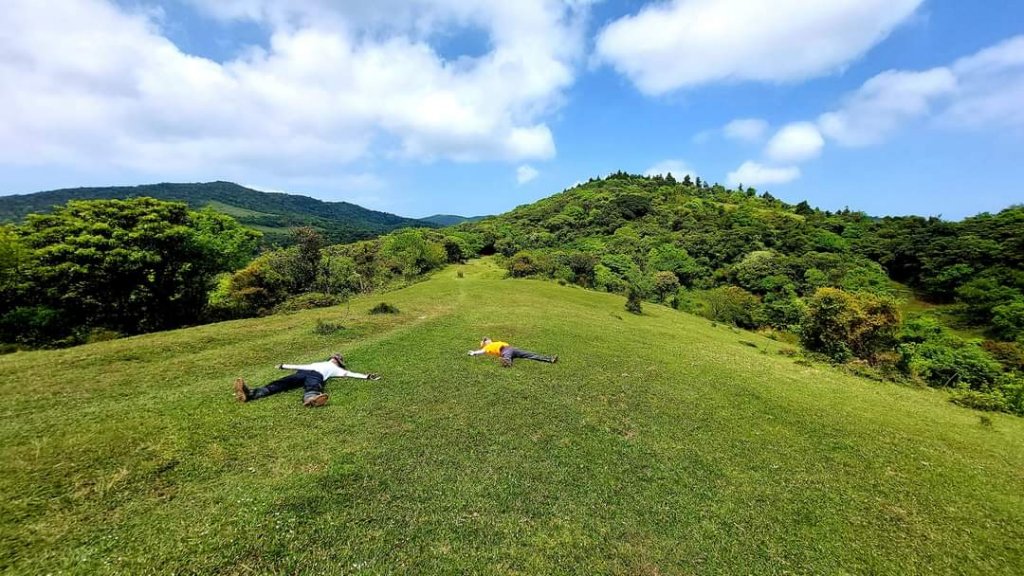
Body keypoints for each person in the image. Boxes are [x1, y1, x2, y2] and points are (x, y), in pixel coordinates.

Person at [234, 353, 379, 407]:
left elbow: (350, 374)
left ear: (339, 363)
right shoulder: (318, 363)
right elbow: (300, 366)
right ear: (331, 358)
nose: (335, 359)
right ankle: (250, 393)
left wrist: (366, 376)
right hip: (303, 372)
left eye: (337, 359)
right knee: (280, 384)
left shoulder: (337, 369)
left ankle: (312, 399)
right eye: (334, 358)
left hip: (316, 375)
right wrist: (284, 366)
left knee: (313, 386)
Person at [468, 337, 558, 367]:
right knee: (507, 355)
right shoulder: (487, 347)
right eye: (485, 340)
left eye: (487, 339)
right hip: (505, 350)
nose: (488, 340)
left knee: (529, 354)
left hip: (512, 349)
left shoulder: (494, 342)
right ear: (484, 343)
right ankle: (507, 361)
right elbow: (481, 351)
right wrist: (474, 353)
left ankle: (550, 359)